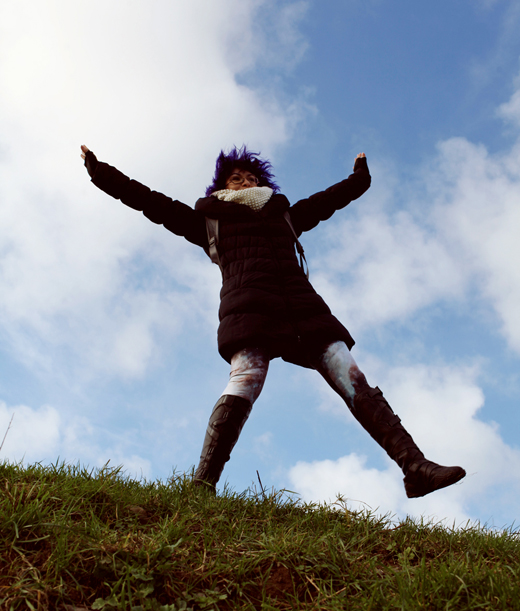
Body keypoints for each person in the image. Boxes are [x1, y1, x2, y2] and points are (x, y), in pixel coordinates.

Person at [80, 143, 465, 499]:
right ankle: (201, 486)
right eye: (237, 178)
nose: (247, 182)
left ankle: (416, 468)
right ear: (222, 185)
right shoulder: (208, 220)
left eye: (252, 178)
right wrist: (101, 172)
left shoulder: (285, 216)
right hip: (249, 309)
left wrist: (359, 180)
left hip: (304, 311)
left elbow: (327, 201)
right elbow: (151, 202)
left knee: (354, 380)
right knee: (245, 381)